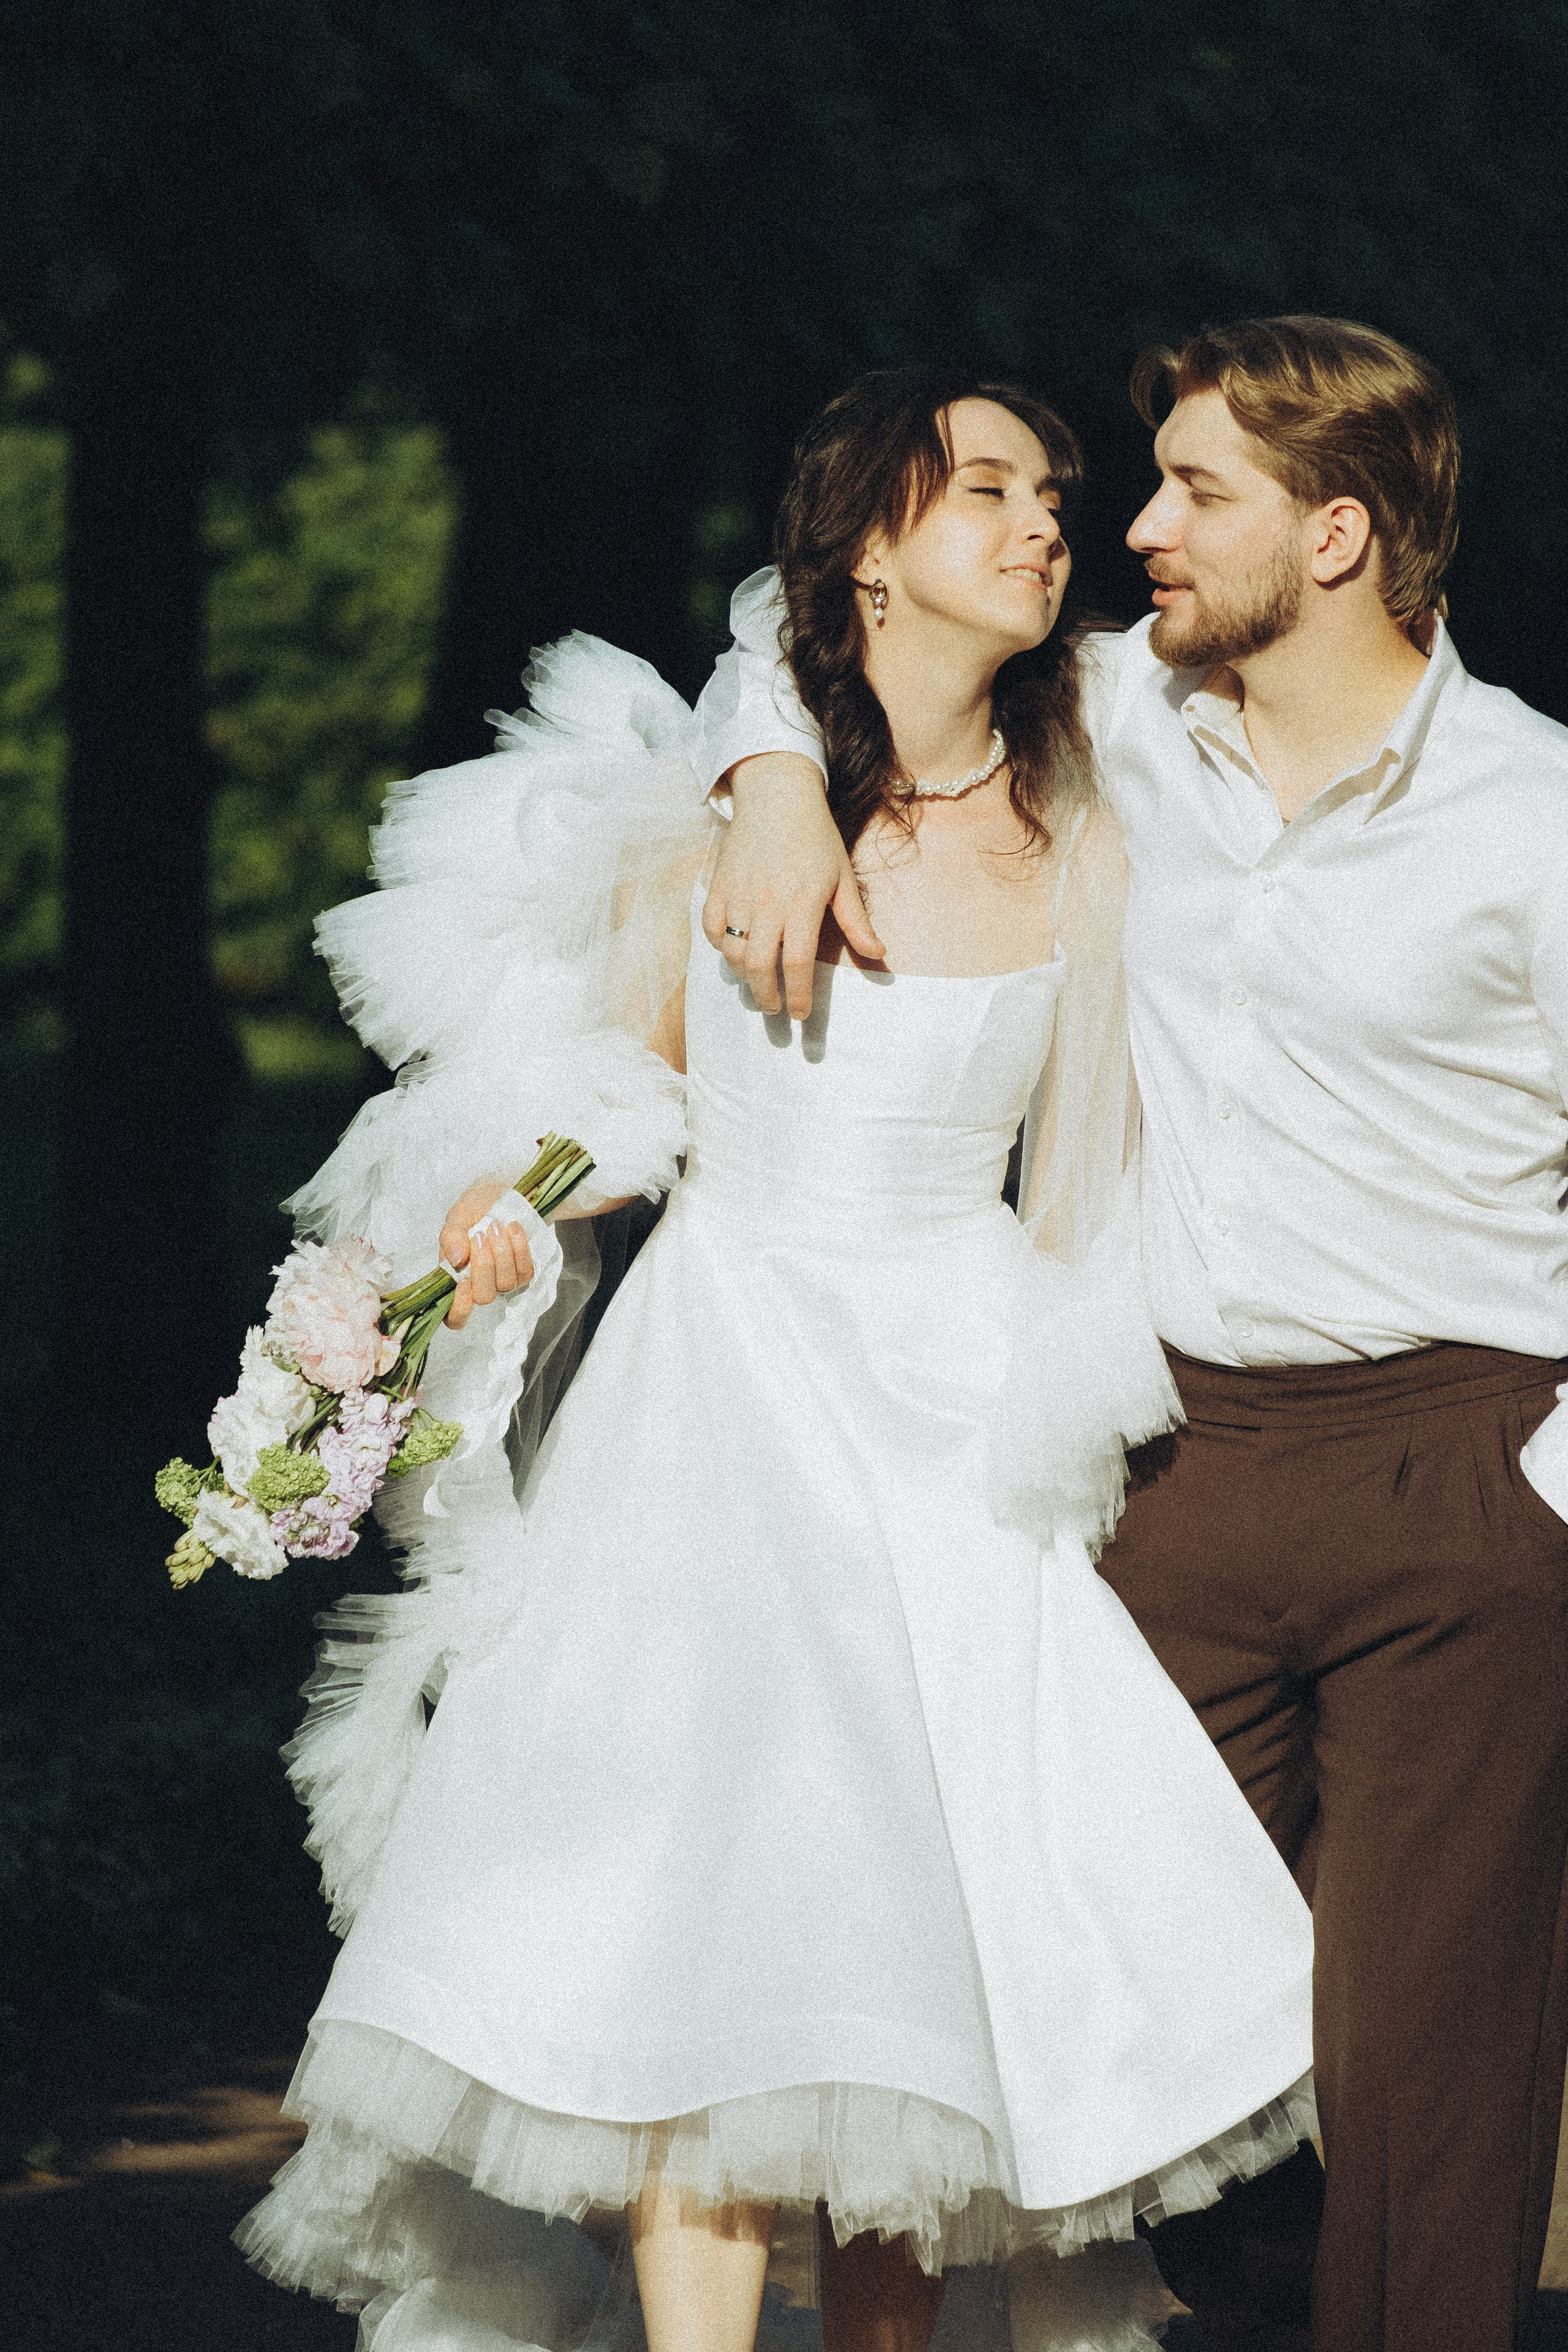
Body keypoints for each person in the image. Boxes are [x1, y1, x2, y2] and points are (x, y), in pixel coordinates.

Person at [237, 370, 1317, 2352]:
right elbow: (617, 1097)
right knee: (710, 1931)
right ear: (870, 552)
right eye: (986, 488)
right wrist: (509, 1210)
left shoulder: (1098, 812)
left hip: (956, 1408)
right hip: (720, 1402)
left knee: (906, 1953)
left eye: (1056, 493)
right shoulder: (724, 820)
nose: (1046, 522)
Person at [695, 315, 1568, 2352]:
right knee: (1100, 2001)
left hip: (1462, 1470)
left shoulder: (1535, 813)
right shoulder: (1120, 717)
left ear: (1334, 537)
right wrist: (771, 779)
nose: (1138, 532)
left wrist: (1546, 1492)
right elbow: (813, 611)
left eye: (1193, 493)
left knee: (1427, 2069)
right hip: (1170, 1467)